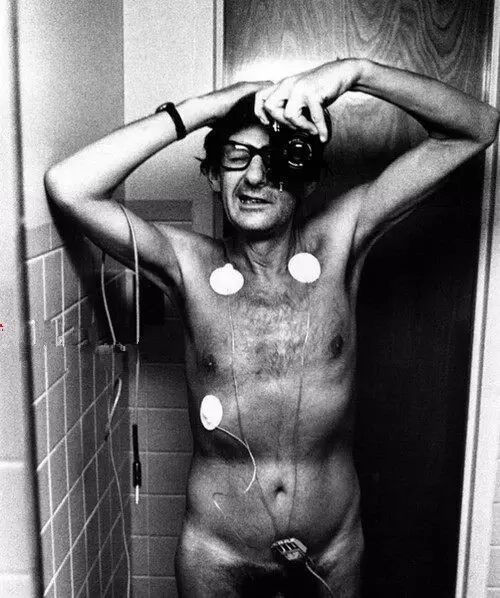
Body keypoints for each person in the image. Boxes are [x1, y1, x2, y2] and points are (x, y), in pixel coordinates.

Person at [45, 58, 499, 597]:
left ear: (307, 180)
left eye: (276, 161)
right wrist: (213, 105)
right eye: (237, 158)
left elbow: (477, 128)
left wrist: (354, 72)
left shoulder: (340, 241)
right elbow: (69, 186)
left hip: (332, 551)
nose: (255, 177)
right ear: (213, 176)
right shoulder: (186, 264)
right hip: (217, 554)